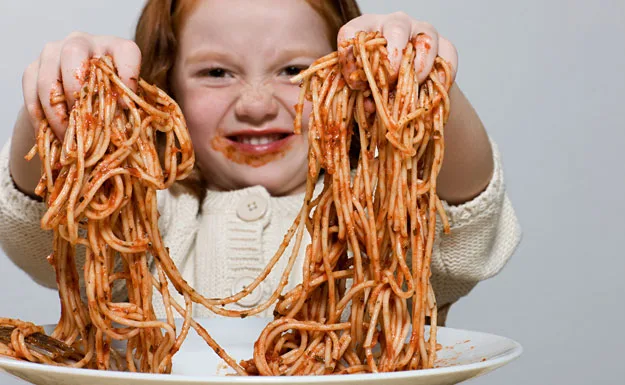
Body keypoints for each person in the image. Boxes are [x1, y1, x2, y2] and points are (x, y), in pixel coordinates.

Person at [0, 0, 521, 325]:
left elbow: (467, 217)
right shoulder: (145, 220)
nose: (254, 103)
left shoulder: (381, 217)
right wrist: (63, 97)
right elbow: (41, 223)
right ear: (163, 89)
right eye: (216, 73)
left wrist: (421, 83)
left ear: (350, 81)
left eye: (294, 70)